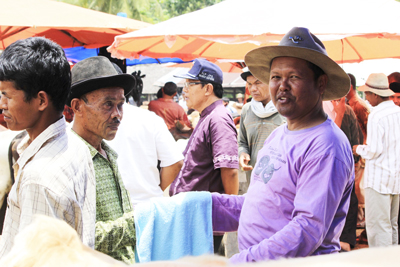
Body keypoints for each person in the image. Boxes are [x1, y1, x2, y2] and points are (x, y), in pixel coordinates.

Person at [212, 27, 354, 263]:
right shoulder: (279, 134)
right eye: (276, 77)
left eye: (294, 77)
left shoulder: (327, 146)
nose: (282, 85)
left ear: (320, 84)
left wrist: (242, 261)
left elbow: (307, 230)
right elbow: (263, 203)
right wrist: (204, 208)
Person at [0, 37, 96, 256]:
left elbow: (37, 260)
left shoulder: (39, 177)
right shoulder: (74, 143)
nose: (1, 105)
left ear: (41, 101)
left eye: (7, 96)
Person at [67, 56, 137, 264]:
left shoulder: (107, 153)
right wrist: (139, 222)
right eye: (108, 105)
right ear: (77, 107)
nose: (117, 115)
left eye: (120, 105)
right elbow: (74, 239)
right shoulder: (69, 160)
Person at [169, 58, 239, 253]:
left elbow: (229, 171)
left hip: (203, 219)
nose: (184, 91)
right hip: (193, 215)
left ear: (208, 89)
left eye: (189, 85)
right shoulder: (207, 116)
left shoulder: (217, 118)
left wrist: (227, 212)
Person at [107, 65, 184, 206]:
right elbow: (175, 162)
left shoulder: (153, 105)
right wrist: (158, 193)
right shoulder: (153, 116)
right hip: (148, 206)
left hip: (109, 211)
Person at [353, 73, 400, 247]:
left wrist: (358, 148)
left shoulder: (376, 116)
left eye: (368, 94)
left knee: (378, 227)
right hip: (395, 179)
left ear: (375, 94)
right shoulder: (397, 111)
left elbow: (374, 150)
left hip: (379, 180)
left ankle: (383, 263)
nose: (366, 98)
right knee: (391, 225)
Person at [238, 67, 285, 193]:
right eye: (249, 84)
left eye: (258, 83)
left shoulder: (286, 110)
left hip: (281, 183)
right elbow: (242, 142)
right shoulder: (247, 110)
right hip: (253, 182)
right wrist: (242, 153)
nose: (253, 89)